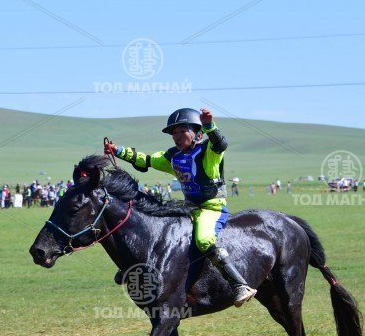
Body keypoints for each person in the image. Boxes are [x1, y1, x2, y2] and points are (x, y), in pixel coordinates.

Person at [104, 107, 257, 306]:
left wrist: (209, 125)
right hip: (188, 208)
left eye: (182, 131)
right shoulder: (173, 156)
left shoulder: (208, 152)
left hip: (211, 208)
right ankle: (130, 266)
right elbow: (147, 160)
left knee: (204, 239)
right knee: (158, 226)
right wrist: (118, 151)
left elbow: (220, 144)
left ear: (197, 134)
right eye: (174, 133)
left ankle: (239, 284)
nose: (177, 136)